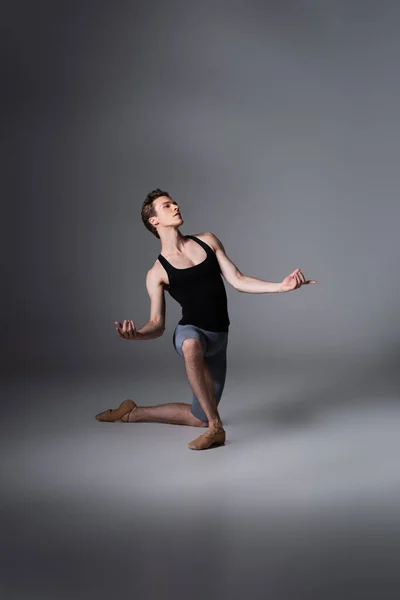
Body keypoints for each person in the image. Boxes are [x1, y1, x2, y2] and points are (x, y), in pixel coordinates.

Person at [95, 189, 317, 450]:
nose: (176, 206)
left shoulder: (207, 241)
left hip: (219, 339)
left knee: (196, 416)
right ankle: (216, 428)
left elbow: (238, 280)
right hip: (190, 332)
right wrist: (138, 335)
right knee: (191, 345)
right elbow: (157, 324)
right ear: (154, 220)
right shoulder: (156, 272)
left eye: (174, 202)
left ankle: (132, 412)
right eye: (167, 205)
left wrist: (280, 287)